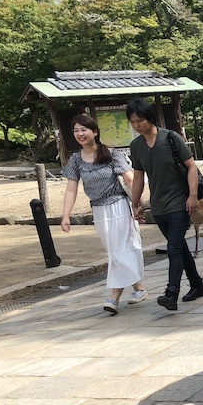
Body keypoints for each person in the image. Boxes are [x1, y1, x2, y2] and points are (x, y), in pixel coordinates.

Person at [60, 114, 146, 314]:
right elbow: (71, 189)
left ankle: (113, 298)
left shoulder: (110, 154)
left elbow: (131, 179)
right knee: (116, 250)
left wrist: (138, 203)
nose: (80, 134)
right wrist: (66, 215)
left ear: (94, 132)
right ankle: (138, 288)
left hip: (119, 206)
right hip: (99, 210)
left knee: (118, 251)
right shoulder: (75, 160)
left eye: (84, 129)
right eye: (76, 130)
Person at [127, 98, 203, 311]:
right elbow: (137, 178)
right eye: (132, 122)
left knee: (173, 248)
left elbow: (191, 167)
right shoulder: (136, 147)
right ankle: (197, 285)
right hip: (159, 206)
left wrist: (192, 196)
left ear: (150, 118)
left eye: (140, 120)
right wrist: (136, 204)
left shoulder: (170, 138)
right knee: (179, 246)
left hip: (179, 202)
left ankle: (171, 292)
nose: (136, 125)